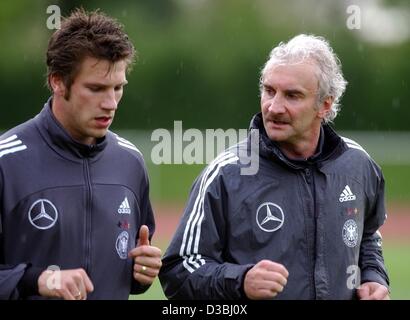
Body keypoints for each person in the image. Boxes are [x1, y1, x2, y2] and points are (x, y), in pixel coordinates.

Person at [159, 34, 390, 300]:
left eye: (292, 95)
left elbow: (368, 235)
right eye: (269, 91)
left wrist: (374, 276)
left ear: (325, 105)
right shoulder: (226, 174)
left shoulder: (358, 164)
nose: (274, 107)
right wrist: (241, 281)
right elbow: (178, 272)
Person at [0, 8, 162, 300]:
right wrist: (36, 280)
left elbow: (130, 267)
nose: (111, 103)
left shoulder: (130, 162)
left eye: (118, 88)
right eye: (96, 88)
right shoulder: (6, 162)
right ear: (58, 82)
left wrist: (142, 272)